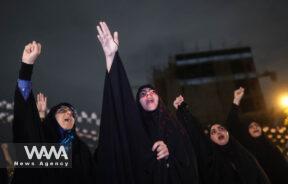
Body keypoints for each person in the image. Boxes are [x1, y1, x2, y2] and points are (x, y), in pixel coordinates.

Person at [96, 21, 199, 184]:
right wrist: (111, 58)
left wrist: (169, 151)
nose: (149, 95)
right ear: (139, 102)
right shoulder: (137, 125)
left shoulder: (173, 124)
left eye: (152, 92)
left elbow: (190, 155)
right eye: (143, 94)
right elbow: (120, 105)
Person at [12, 41, 95, 184]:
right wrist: (26, 66)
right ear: (52, 117)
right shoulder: (42, 142)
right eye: (63, 110)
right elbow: (24, 117)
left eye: (72, 113)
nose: (69, 114)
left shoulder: (82, 150)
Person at [174, 94, 271, 184]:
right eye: (213, 132)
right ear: (210, 139)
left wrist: (236, 100)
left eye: (221, 129)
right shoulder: (211, 162)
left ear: (229, 134)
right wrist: (183, 111)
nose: (219, 132)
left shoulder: (245, 155)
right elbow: (196, 135)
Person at [226, 87, 288, 184]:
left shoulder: (270, 146)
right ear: (246, 132)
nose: (255, 127)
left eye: (257, 125)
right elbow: (231, 124)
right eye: (251, 126)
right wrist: (236, 100)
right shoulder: (247, 148)